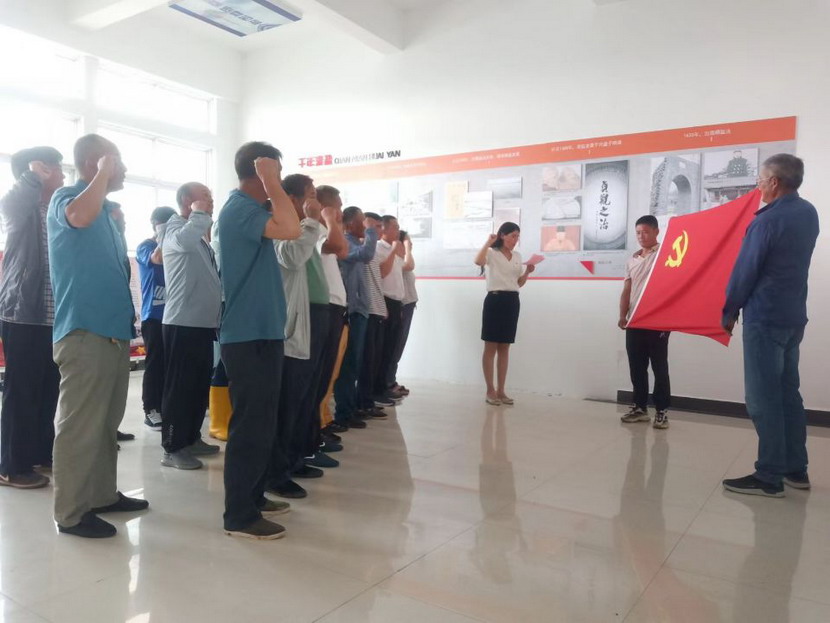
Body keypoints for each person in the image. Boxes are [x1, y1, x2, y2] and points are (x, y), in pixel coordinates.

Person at [48, 134, 149, 538]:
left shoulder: (107, 212)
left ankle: (102, 495)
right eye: (117, 161)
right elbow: (77, 216)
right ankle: (71, 513)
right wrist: (105, 173)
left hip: (112, 333)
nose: (124, 169)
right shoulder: (67, 198)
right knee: (79, 427)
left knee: (106, 424)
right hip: (84, 332)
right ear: (96, 161)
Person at [215, 142, 300, 539]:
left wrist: (272, 183)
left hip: (262, 331)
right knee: (250, 426)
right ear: (260, 170)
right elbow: (292, 229)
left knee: (262, 423)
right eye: (275, 171)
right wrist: (272, 180)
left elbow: (287, 223)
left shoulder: (252, 211)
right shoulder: (238, 209)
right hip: (247, 334)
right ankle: (239, 515)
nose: (278, 180)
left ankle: (253, 496)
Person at [721, 154, 819, 498]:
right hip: (793, 317)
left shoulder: (766, 221)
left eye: (761, 180)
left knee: (763, 399)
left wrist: (729, 310)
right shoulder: (808, 213)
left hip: (764, 317)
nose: (758, 186)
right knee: (788, 394)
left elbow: (746, 270)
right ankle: (795, 468)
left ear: (774, 182)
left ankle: (769, 475)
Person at [0, 147, 64, 489]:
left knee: (47, 388)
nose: (63, 174)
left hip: (54, 318)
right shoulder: (22, 210)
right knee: (22, 391)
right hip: (23, 313)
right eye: (56, 168)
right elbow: (10, 203)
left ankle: (40, 451)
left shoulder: (55, 210)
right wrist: (31, 176)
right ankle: (11, 466)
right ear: (39, 170)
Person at [266, 173, 332, 500]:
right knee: (289, 399)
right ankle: (276, 472)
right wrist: (311, 221)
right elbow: (291, 257)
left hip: (315, 316)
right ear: (292, 198)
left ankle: (294, 459)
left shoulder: (302, 225)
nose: (315, 200)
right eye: (310, 194)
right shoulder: (282, 225)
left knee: (306, 395)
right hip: (296, 320)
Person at [158, 182, 222, 469]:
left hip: (201, 323)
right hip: (181, 322)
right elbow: (182, 243)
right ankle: (172, 447)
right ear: (187, 201)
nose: (210, 200)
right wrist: (199, 214)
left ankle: (191, 437)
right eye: (205, 196)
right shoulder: (173, 229)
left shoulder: (198, 234)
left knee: (197, 386)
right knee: (179, 388)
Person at [618, 215, 670, 429]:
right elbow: (627, 290)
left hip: (658, 320)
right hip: (635, 320)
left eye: (646, 232)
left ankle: (662, 411)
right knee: (636, 366)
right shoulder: (633, 260)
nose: (642, 236)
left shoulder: (665, 255)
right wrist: (623, 315)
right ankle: (640, 407)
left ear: (657, 231)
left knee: (659, 367)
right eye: (638, 232)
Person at [474, 222, 534, 406]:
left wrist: (527, 272)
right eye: (513, 236)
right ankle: (490, 390)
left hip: (512, 301)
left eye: (517, 237)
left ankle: (501, 390)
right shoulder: (491, 253)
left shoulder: (517, 256)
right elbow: (478, 261)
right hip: (495, 300)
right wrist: (488, 242)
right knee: (490, 346)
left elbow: (518, 283)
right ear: (503, 235)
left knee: (505, 347)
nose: (515, 240)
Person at [332, 206, 378, 430]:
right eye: (362, 221)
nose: (365, 225)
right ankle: (344, 412)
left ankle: (351, 407)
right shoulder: (345, 242)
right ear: (350, 225)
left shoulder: (353, 243)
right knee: (348, 364)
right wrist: (371, 231)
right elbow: (367, 255)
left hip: (360, 309)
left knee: (356, 363)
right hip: (351, 311)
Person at [312, 185, 348, 453]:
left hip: (333, 308)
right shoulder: (316, 228)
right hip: (322, 308)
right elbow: (340, 248)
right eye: (338, 205)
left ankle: (317, 428)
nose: (341, 211)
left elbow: (341, 248)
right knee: (316, 376)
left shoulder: (326, 228)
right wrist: (329, 218)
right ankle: (311, 434)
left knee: (325, 375)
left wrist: (332, 221)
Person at [136, 206, 176, 431]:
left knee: (172, 365)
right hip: (154, 315)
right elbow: (157, 259)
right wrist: (163, 234)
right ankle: (151, 409)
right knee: (156, 363)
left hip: (175, 314)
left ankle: (167, 406)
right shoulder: (147, 246)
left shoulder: (175, 245)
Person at [357, 212, 393, 415]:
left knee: (374, 358)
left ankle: (368, 400)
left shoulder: (372, 250)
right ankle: (363, 401)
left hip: (377, 309)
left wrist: (383, 306)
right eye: (376, 226)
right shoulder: (364, 248)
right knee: (367, 360)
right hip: (367, 310)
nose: (380, 230)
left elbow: (378, 279)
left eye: (380, 226)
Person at [374, 215, 406, 400]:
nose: (398, 231)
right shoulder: (379, 248)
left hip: (396, 303)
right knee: (382, 349)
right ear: (384, 229)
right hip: (384, 301)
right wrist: (394, 250)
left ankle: (385, 385)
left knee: (392, 349)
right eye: (395, 227)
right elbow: (382, 274)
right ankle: (377, 390)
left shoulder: (395, 249)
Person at [386, 229, 417, 396]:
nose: (410, 244)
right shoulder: (398, 260)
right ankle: (388, 381)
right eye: (407, 241)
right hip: (402, 306)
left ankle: (391, 379)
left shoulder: (400, 259)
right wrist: (407, 248)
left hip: (408, 305)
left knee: (399, 345)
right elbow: (410, 265)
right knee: (395, 345)